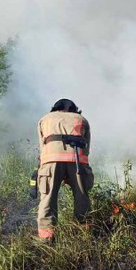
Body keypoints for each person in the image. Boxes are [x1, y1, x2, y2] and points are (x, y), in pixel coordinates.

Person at [36, 98, 93, 241]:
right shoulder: (81, 119)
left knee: (48, 197)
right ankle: (82, 233)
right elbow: (86, 149)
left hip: (51, 161)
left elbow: (42, 147)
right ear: (73, 109)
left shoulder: (45, 119)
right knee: (81, 196)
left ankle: (46, 237)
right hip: (76, 161)